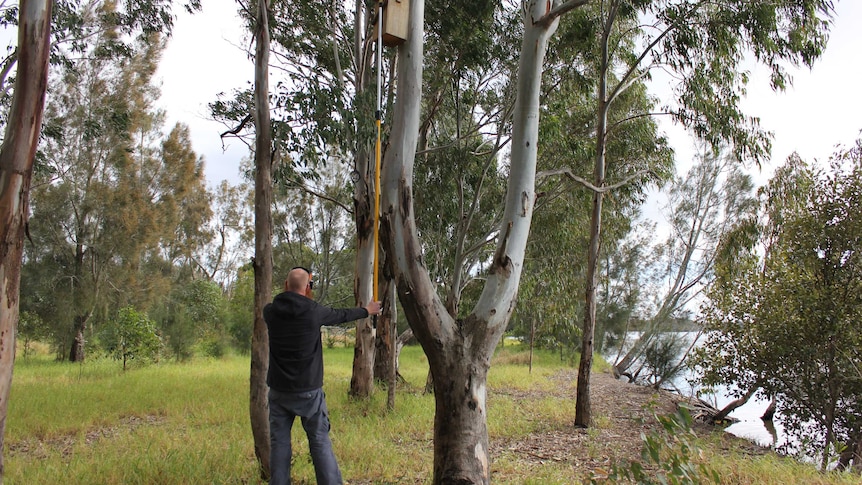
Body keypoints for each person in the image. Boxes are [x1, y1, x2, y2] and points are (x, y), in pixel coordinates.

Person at [263, 266, 382, 485]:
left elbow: (286, 302)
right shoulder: (313, 311)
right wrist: (367, 310)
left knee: (279, 443)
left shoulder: (269, 312)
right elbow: (341, 315)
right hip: (308, 391)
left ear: (286, 285)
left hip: (279, 391)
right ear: (307, 287)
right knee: (318, 441)